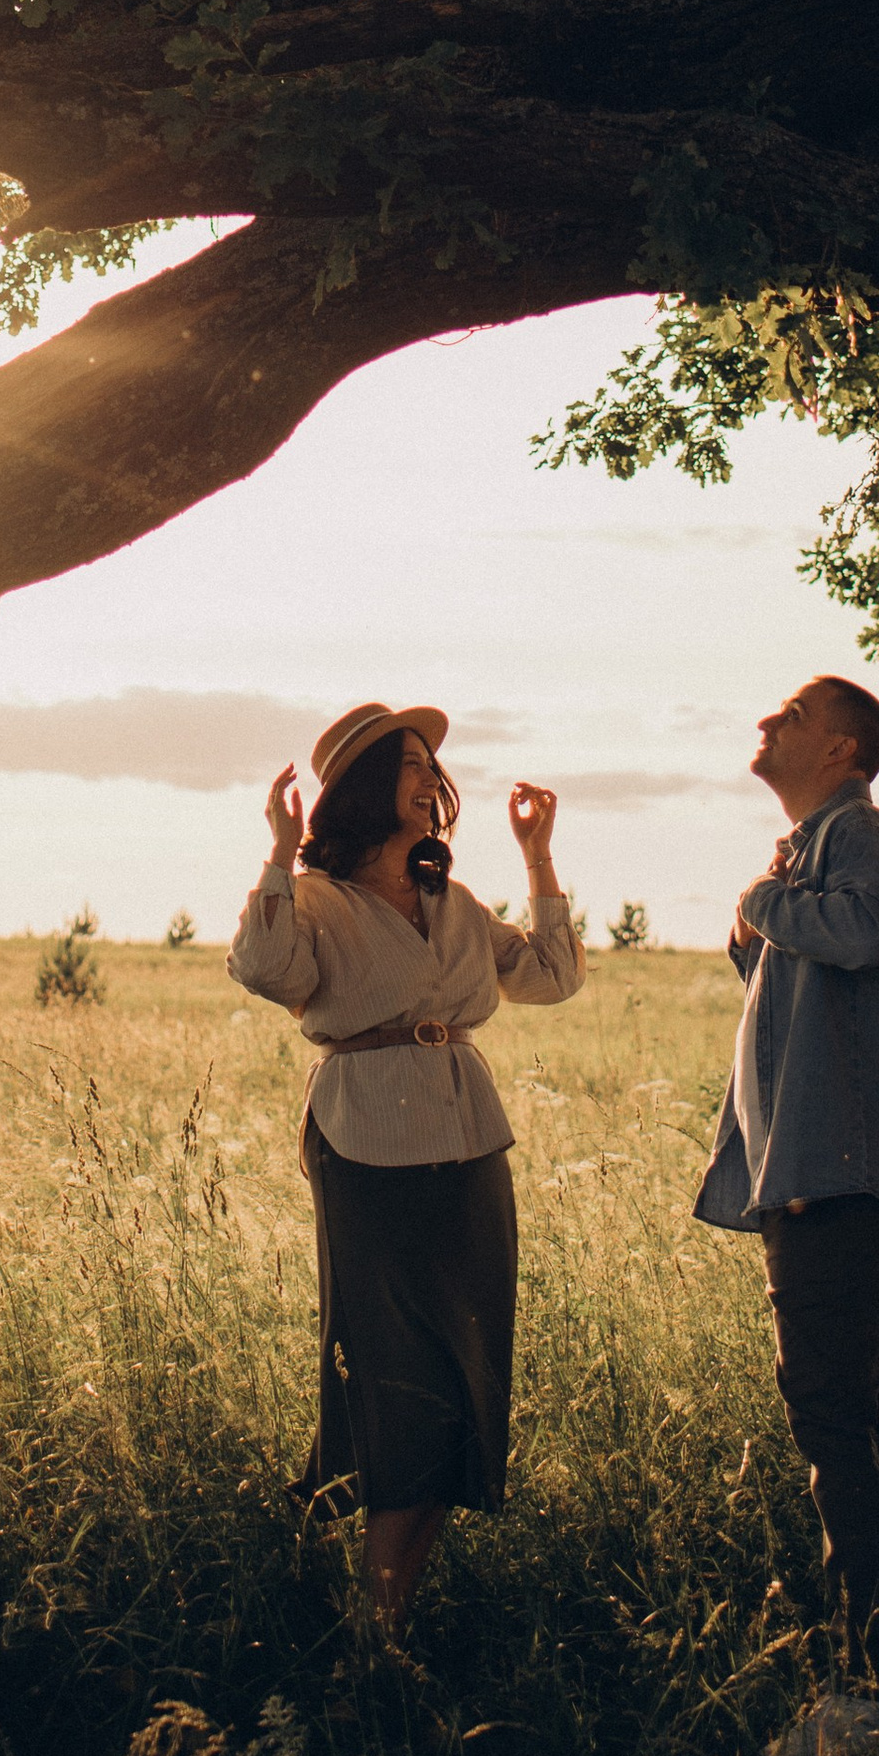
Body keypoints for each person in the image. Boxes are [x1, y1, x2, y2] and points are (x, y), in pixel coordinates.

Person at [229, 699, 584, 1631]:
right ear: (363, 788)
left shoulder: (455, 905)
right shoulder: (314, 901)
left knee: (464, 1376)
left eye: (434, 765)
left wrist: (538, 857)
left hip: (469, 1146)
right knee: (393, 1377)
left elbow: (552, 975)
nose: (433, 779)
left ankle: (380, 1621)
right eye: (413, 763)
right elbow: (264, 970)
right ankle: (366, 1624)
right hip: (367, 1145)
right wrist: (280, 850)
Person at [694, 673, 879, 1681]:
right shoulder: (813, 848)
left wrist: (759, 901)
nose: (766, 719)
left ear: (840, 749)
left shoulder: (859, 833)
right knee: (866, 1410)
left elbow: (866, 934)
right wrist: (761, 923)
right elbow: (804, 979)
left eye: (791, 714)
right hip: (816, 1166)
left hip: (831, 1171)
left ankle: (873, 1671)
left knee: (831, 1414)